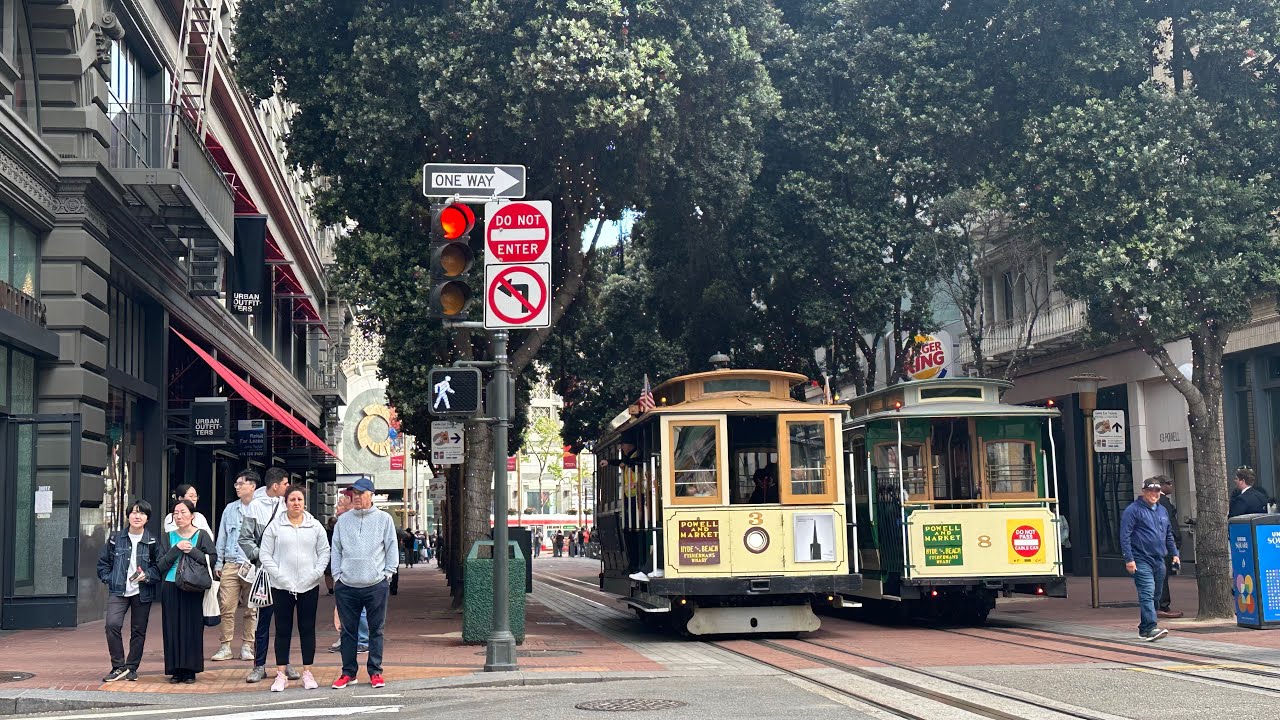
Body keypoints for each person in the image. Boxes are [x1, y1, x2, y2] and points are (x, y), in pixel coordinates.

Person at [330, 476, 398, 689]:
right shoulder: (343, 520)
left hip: (375, 583)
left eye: (360, 493)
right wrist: (337, 576)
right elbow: (336, 549)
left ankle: (375, 672)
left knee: (376, 630)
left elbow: (391, 548)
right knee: (347, 632)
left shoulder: (384, 519)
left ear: (371, 495)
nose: (356, 497)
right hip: (347, 585)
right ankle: (348, 672)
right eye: (353, 494)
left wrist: (387, 574)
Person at [260, 485, 330, 692]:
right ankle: (281, 673)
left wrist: (314, 574)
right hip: (281, 586)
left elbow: (324, 552)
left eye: (299, 499)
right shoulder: (275, 527)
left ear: (304, 502)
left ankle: (307, 671)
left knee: (307, 628)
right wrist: (280, 575)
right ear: (286, 502)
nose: (296, 503)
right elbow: (265, 555)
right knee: (282, 630)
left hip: (309, 586)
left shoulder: (315, 526)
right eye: (292, 500)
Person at [238, 467, 297, 683]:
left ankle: (285, 663)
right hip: (265, 575)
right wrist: (262, 557)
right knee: (263, 621)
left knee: (285, 621)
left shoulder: (289, 503)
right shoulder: (255, 506)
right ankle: (259, 665)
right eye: (285, 483)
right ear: (275, 486)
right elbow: (244, 539)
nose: (287, 486)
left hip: (287, 573)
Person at [98, 499, 161, 682]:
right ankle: (118, 666)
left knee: (138, 631)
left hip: (142, 592)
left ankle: (131, 667)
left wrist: (148, 575)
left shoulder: (152, 541)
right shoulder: (115, 538)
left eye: (141, 513)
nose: (137, 516)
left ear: (147, 518)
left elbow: (160, 566)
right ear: (128, 515)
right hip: (118, 590)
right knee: (112, 625)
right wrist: (109, 579)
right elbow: (103, 563)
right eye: (134, 512)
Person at [156, 499, 217, 683]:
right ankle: (175, 669)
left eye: (183, 512)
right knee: (172, 627)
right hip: (171, 585)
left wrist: (192, 551)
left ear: (192, 515)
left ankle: (190, 669)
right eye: (176, 513)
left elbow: (212, 559)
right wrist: (176, 549)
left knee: (192, 628)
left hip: (194, 586)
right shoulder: (167, 536)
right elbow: (160, 564)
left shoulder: (202, 535)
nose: (179, 516)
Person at [1120, 478, 1180, 642]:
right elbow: (1124, 536)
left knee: (1156, 594)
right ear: (1144, 491)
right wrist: (1129, 559)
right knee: (1147, 591)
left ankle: (1145, 628)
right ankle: (1151, 627)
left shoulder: (1162, 511)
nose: (1154, 494)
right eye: (1151, 491)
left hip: (1159, 559)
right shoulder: (1133, 511)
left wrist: (1174, 553)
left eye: (1156, 491)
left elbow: (1168, 534)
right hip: (1140, 558)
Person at [212, 470, 261, 662]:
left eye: (241, 483)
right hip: (231, 564)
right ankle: (225, 646)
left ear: (253, 486)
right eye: (237, 484)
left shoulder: (260, 509)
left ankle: (247, 646)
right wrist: (219, 562)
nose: (238, 487)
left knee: (252, 609)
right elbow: (222, 536)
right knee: (226, 607)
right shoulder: (230, 509)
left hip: (252, 565)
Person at [328, 488, 369, 655]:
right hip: (344, 573)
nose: (337, 505)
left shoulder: (357, 521)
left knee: (360, 608)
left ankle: (363, 640)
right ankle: (347, 638)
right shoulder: (342, 522)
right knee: (344, 607)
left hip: (359, 573)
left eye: (341, 502)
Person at [1155, 476, 1183, 619]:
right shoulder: (1163, 502)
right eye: (1168, 484)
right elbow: (1170, 525)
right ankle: (1162, 605)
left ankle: (1157, 605)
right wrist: (1176, 542)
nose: (1171, 486)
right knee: (1162, 575)